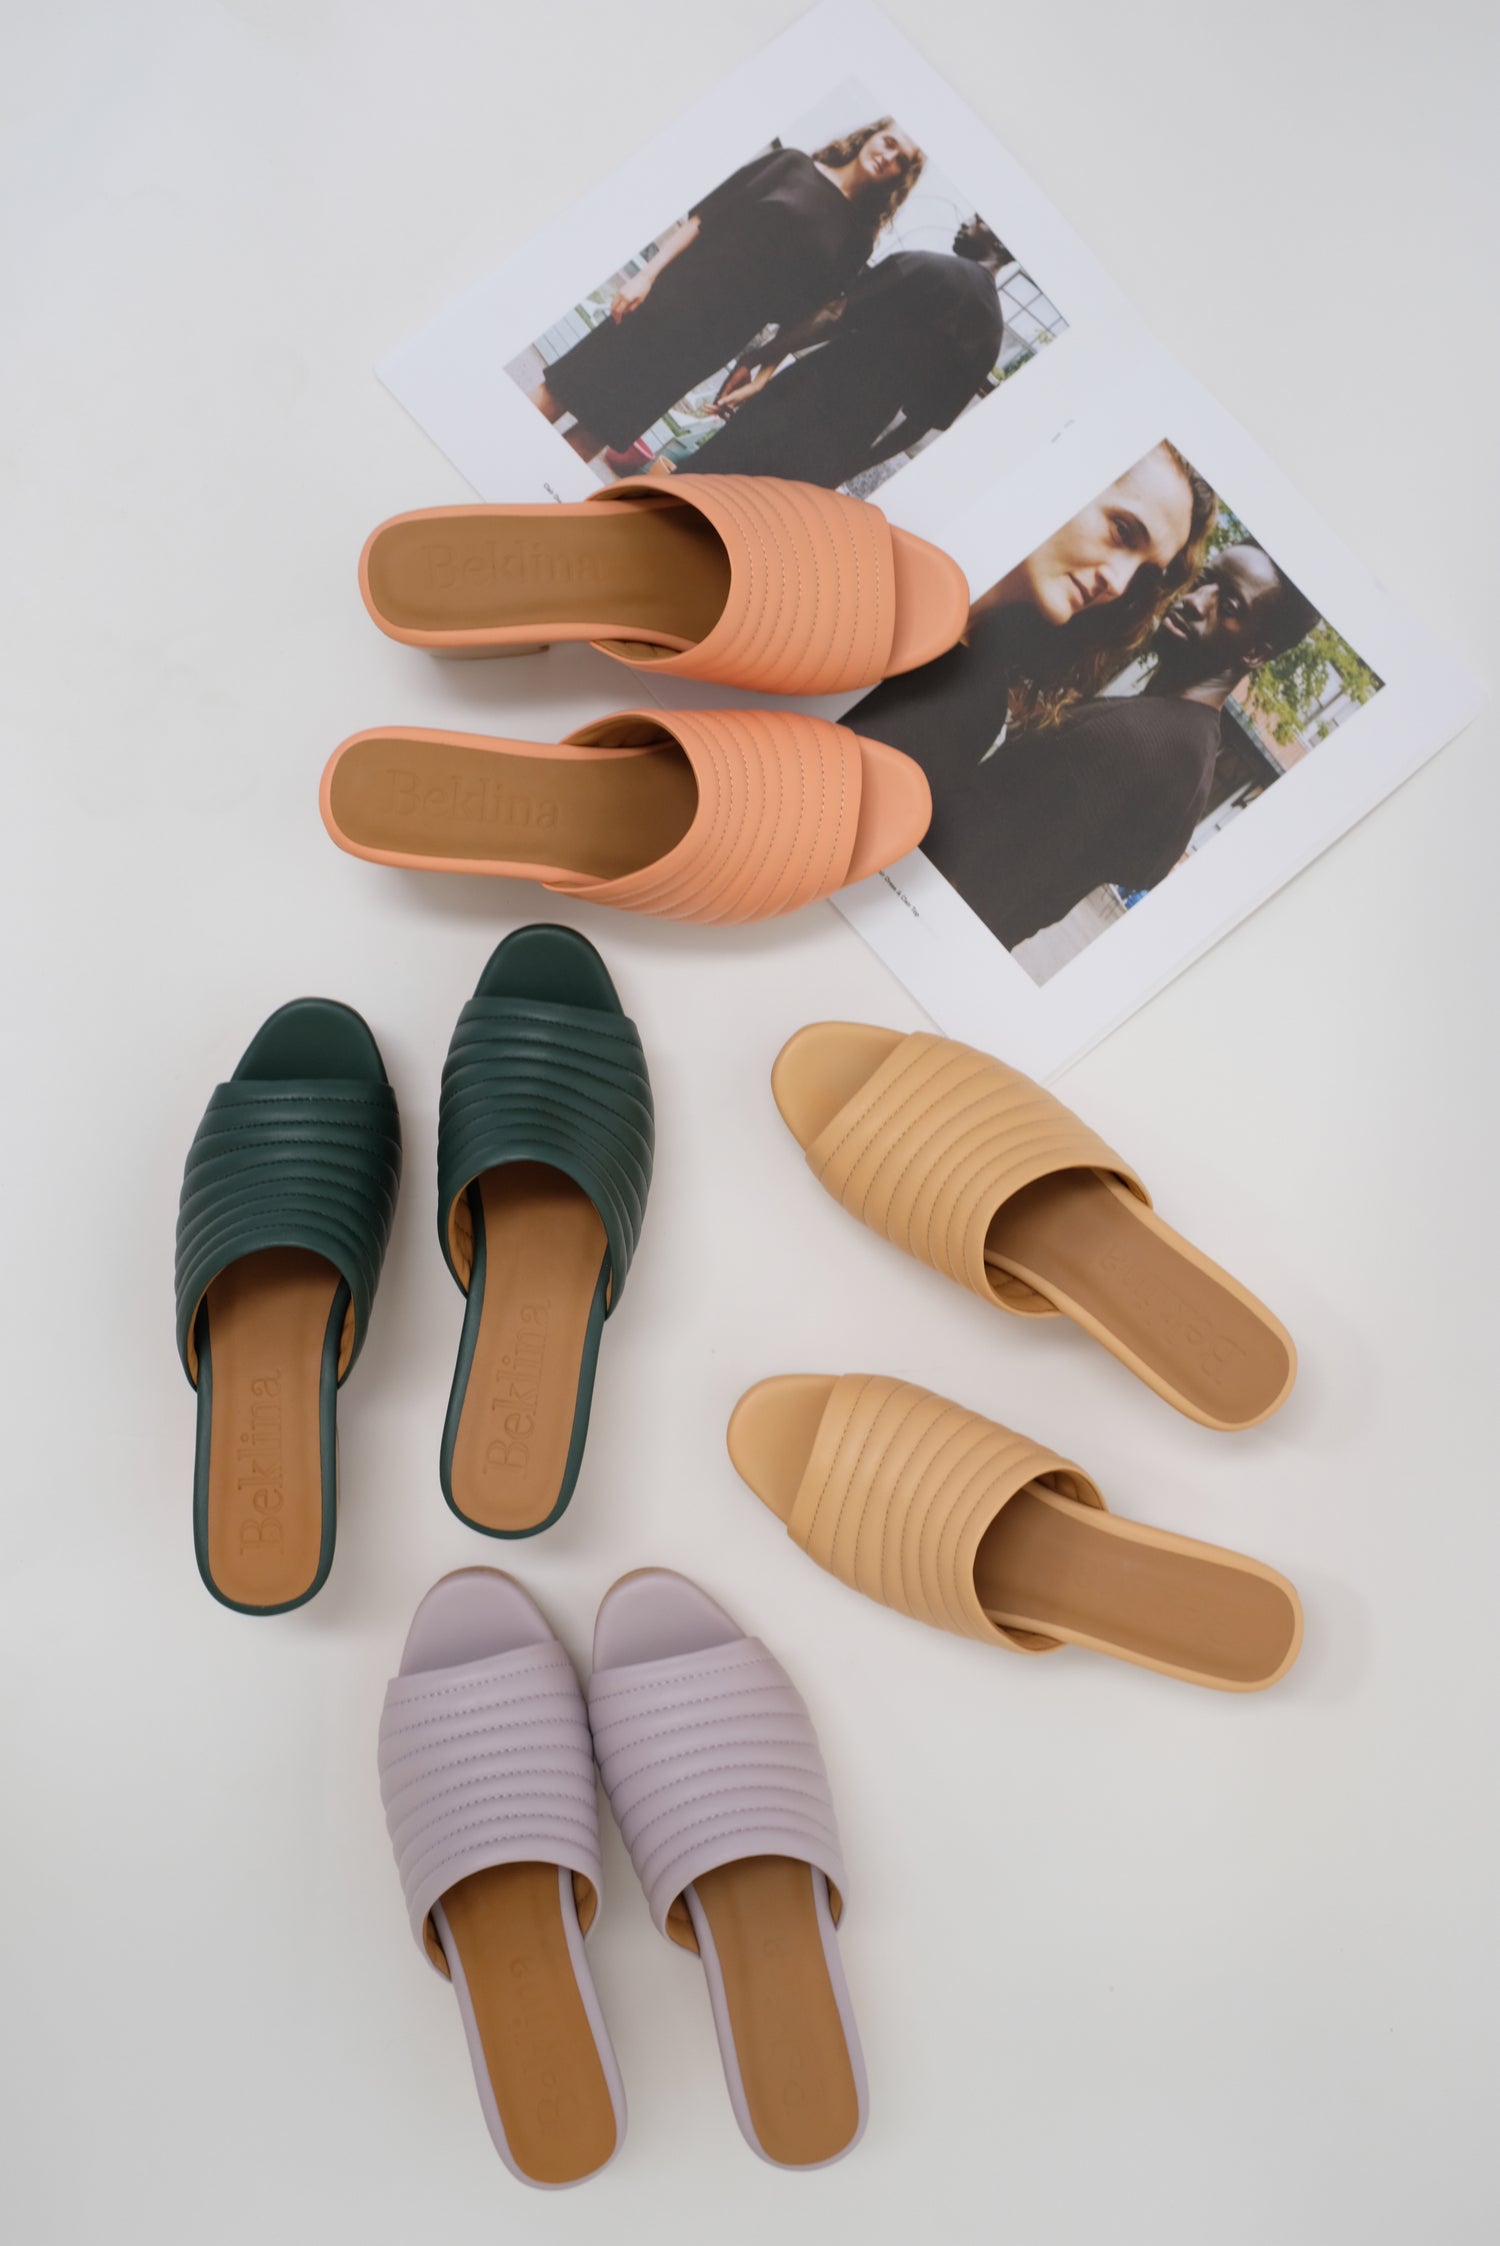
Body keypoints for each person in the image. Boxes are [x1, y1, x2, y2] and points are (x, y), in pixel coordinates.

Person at [921, 544, 1321, 949]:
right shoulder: (1189, 746)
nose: (1195, 601)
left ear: (1254, 652)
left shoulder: (1139, 743)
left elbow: (976, 878)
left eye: (1230, 606)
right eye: (1204, 580)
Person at [529, 121, 924, 464]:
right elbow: (705, 217)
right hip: (668, 298)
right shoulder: (791, 164)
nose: (889, 157)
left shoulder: (858, 240)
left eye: (901, 161)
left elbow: (806, 315)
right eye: (889, 143)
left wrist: (762, 372)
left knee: (602, 426)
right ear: (869, 135)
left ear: (900, 179)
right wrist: (645, 276)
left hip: (712, 342)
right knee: (564, 389)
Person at [851, 441, 1218, 805]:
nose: (1119, 583)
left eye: (1142, 572)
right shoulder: (877, 536)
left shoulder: (977, 709)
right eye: (1122, 531)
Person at [672, 217, 1008, 488]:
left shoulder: (925, 267)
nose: (966, 221)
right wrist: (850, 467)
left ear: (1000, 244)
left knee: (704, 479)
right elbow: (920, 425)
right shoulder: (991, 336)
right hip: (851, 437)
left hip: (803, 395)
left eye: (980, 220)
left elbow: (834, 314)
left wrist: (754, 359)